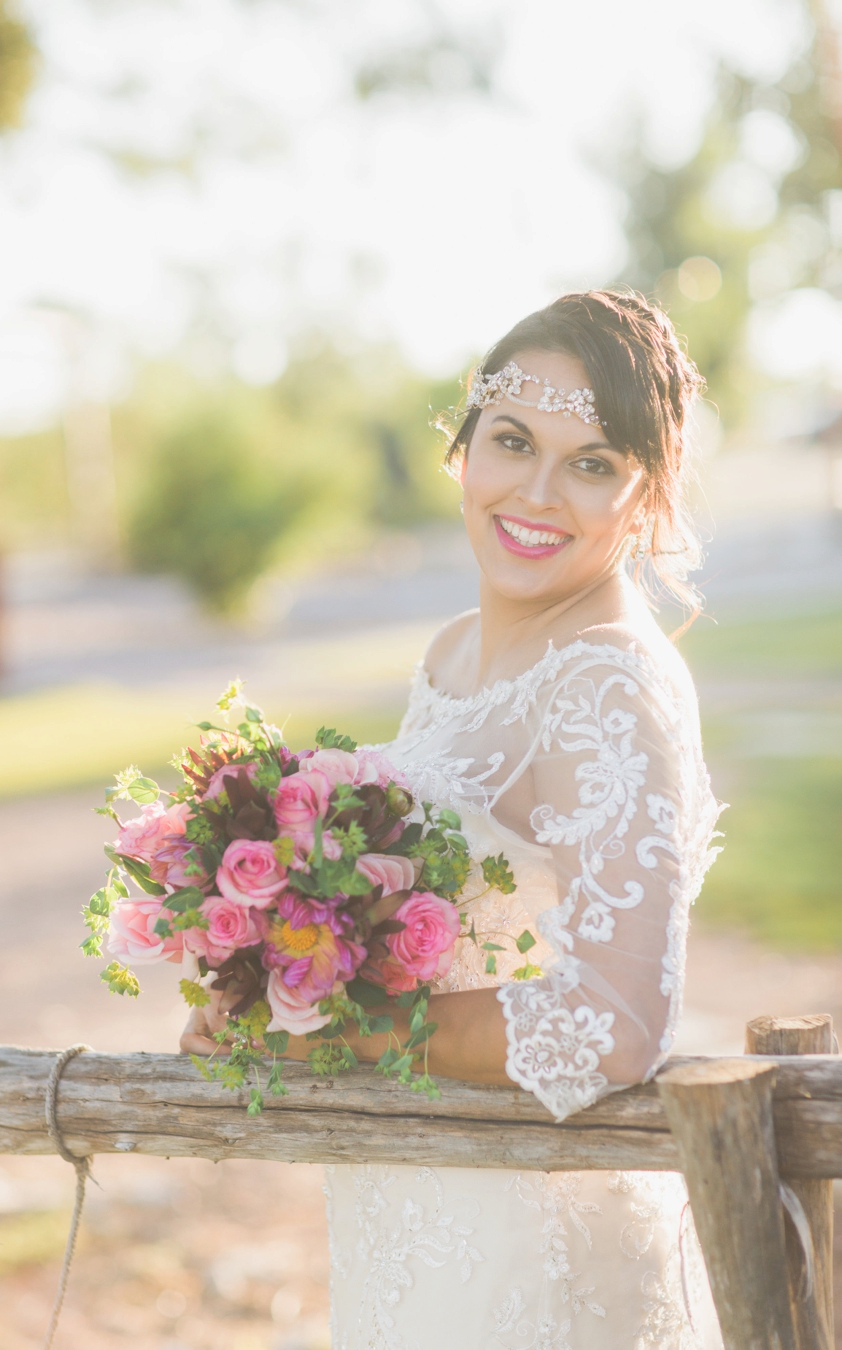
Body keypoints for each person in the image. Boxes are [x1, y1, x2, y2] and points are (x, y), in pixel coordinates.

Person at [182, 290, 725, 1349]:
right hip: (416, 1206)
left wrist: (338, 1037)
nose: (537, 492)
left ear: (646, 497)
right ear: (461, 450)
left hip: (539, 1235)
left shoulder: (612, 687)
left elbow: (613, 1026)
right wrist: (269, 988)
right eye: (513, 442)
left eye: (593, 462)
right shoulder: (450, 657)